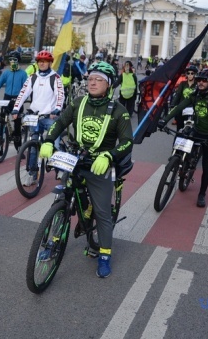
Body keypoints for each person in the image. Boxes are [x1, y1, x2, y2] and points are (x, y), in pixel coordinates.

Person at [39, 61, 133, 278]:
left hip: (100, 164)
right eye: (90, 78)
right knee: (62, 200)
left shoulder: (120, 111)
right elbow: (60, 122)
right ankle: (52, 243)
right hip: (75, 159)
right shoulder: (78, 102)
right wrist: (49, 140)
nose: (92, 82)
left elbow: (128, 141)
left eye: (98, 79)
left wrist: (109, 155)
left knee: (102, 213)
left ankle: (104, 255)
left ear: (109, 84)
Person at [158, 68, 208, 208]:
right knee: (182, 141)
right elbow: (178, 108)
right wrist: (164, 120)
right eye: (199, 80)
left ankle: (202, 194)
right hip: (196, 131)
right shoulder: (194, 95)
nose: (201, 83)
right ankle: (183, 163)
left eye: (204, 80)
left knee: (206, 166)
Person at [11, 50, 64, 184]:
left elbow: (60, 96)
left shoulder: (56, 78)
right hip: (34, 117)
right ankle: (32, 174)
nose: (42, 63)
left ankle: (60, 169)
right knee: (33, 146)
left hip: (49, 117)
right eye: (40, 61)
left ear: (50, 63)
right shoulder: (33, 77)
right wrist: (16, 108)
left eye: (45, 61)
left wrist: (57, 109)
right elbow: (23, 93)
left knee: (55, 144)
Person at [0, 51, 28, 153]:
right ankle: (0, 148)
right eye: (10, 60)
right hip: (7, 98)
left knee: (17, 122)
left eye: (14, 60)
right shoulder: (6, 73)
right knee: (2, 119)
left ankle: (19, 148)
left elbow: (27, 89)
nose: (12, 62)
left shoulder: (23, 74)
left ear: (18, 61)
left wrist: (26, 98)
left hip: (18, 99)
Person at [170, 65, 198, 132]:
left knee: (190, 129)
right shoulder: (183, 84)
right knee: (179, 129)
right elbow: (178, 94)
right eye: (188, 73)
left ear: (195, 74)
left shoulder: (197, 85)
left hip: (193, 110)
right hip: (182, 108)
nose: (190, 75)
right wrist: (173, 104)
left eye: (192, 73)